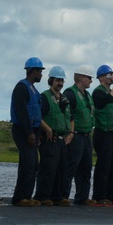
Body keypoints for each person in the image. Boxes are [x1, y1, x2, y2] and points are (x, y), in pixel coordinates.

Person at [10, 57, 45, 206]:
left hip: (33, 130)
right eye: (39, 72)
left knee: (33, 164)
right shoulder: (22, 88)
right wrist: (29, 132)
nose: (41, 75)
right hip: (23, 130)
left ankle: (27, 195)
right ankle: (19, 197)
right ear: (32, 71)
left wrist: (37, 133)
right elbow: (22, 111)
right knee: (27, 163)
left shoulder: (34, 90)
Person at [37, 66, 73, 205]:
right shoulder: (45, 97)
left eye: (62, 80)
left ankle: (57, 196)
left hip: (63, 139)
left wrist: (71, 133)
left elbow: (71, 118)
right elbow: (38, 116)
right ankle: (43, 196)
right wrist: (47, 129)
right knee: (48, 168)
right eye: (58, 80)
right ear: (51, 80)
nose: (60, 83)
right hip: (50, 138)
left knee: (62, 169)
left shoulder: (64, 98)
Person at [63, 65, 95, 205]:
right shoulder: (70, 93)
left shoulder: (87, 95)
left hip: (87, 135)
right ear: (81, 78)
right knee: (71, 166)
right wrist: (71, 132)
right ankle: (63, 195)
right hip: (76, 135)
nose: (91, 81)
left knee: (86, 168)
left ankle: (82, 197)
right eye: (89, 78)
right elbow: (68, 114)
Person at [91, 64, 113, 205]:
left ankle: (112, 196)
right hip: (102, 132)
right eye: (109, 75)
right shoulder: (98, 93)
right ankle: (100, 195)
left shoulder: (108, 92)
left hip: (111, 132)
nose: (111, 77)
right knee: (104, 166)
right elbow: (111, 98)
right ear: (102, 77)